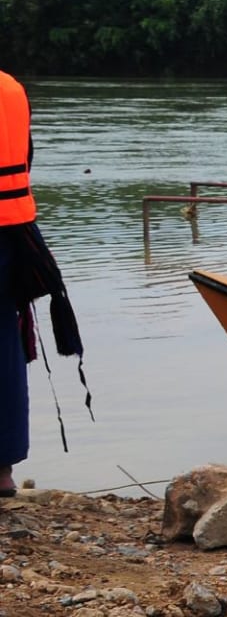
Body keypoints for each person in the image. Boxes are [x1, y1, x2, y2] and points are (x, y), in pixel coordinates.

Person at [0, 69, 82, 498]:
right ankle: (2, 471)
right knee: (4, 346)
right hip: (14, 234)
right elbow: (26, 156)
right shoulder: (11, 89)